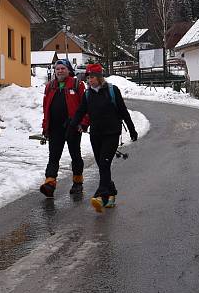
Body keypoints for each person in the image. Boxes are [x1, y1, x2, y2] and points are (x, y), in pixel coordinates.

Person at [70, 63, 138, 212]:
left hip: (112, 133)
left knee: (104, 163)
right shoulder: (88, 94)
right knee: (102, 165)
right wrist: (72, 126)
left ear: (100, 78)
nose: (89, 80)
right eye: (88, 77)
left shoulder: (112, 90)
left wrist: (132, 129)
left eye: (92, 77)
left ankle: (101, 195)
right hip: (96, 135)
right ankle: (111, 194)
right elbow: (80, 112)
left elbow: (123, 111)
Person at [40, 58, 89, 197]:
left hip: (73, 127)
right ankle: (50, 183)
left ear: (68, 70)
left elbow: (85, 106)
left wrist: (83, 123)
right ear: (54, 71)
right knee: (54, 156)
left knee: (75, 155)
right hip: (55, 128)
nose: (60, 71)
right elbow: (46, 108)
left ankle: (78, 183)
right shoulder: (50, 86)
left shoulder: (77, 84)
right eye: (57, 69)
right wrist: (45, 127)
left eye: (63, 68)